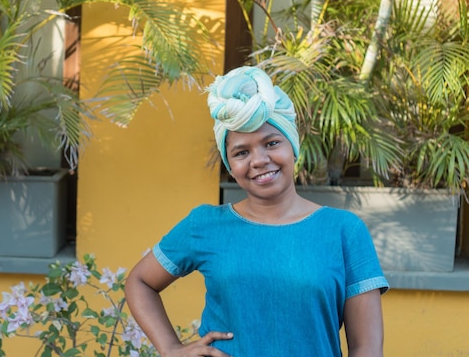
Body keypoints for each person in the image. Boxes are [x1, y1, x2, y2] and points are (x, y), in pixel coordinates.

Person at [125, 66, 389, 357]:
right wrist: (171, 348)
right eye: (241, 152)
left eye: (272, 143)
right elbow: (140, 282)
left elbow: (366, 347)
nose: (259, 160)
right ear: (230, 164)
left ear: (293, 146)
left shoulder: (344, 231)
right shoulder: (205, 225)